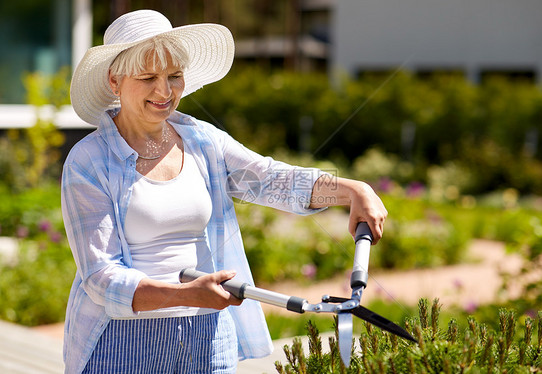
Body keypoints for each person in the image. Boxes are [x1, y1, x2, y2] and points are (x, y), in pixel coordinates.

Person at [61, 9, 387, 374]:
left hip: (208, 331)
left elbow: (271, 179)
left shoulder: (201, 140)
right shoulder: (88, 161)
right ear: (114, 81)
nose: (164, 91)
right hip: (121, 341)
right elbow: (100, 277)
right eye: (148, 76)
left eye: (174, 76)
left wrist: (352, 190)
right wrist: (183, 295)